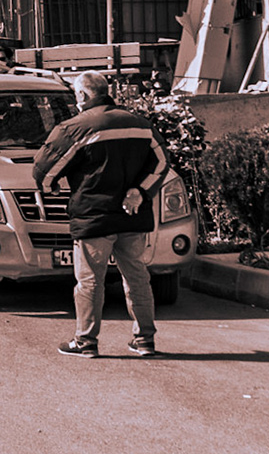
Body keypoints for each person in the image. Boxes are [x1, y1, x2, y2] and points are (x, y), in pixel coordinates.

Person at [35, 72, 170, 358]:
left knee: (89, 281)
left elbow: (44, 169)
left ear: (83, 96)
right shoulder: (141, 125)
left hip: (93, 217)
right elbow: (161, 163)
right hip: (132, 215)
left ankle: (85, 341)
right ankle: (145, 340)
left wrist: (52, 187)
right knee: (137, 278)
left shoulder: (75, 127)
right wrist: (140, 191)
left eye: (76, 94)